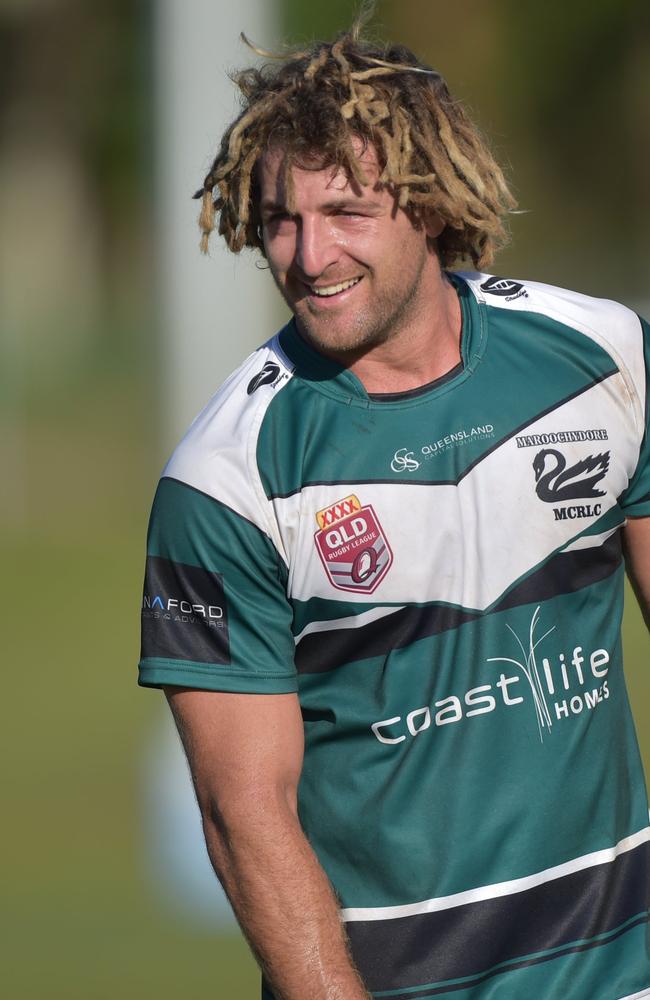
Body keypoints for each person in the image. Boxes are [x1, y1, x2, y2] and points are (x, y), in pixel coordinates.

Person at [138, 14, 650, 1000]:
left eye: (344, 212)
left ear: (427, 200)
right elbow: (243, 812)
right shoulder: (225, 482)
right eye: (280, 218)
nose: (306, 254)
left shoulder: (601, 359)